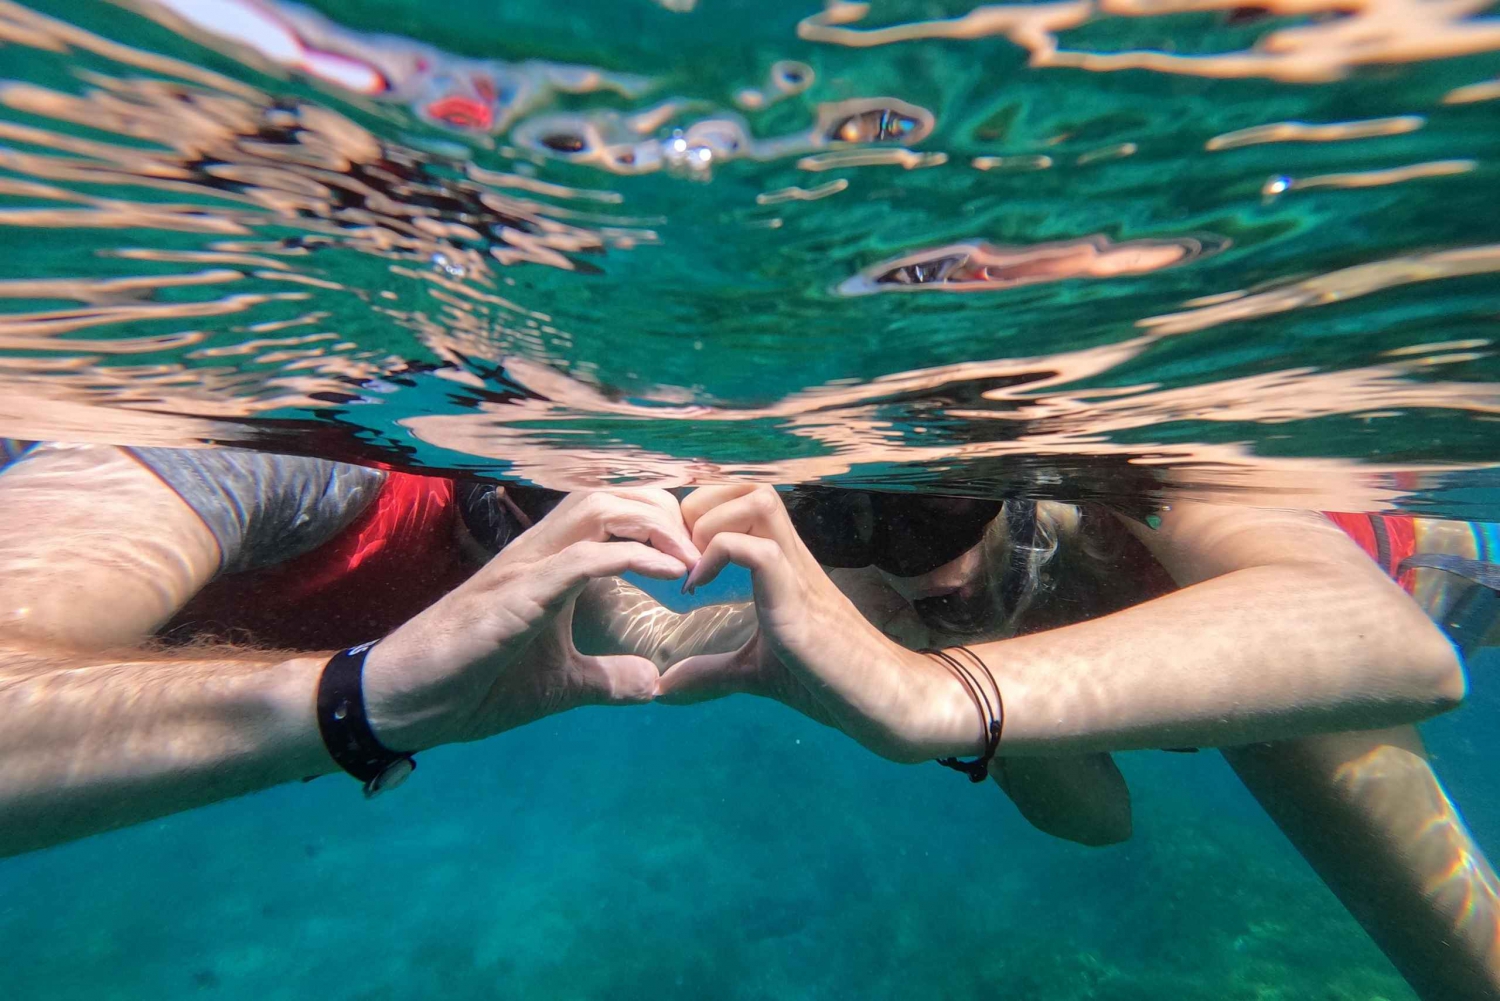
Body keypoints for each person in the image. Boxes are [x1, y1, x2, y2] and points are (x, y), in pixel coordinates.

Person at [649, 484, 1499, 1001]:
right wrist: (954, 654)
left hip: (1394, 594)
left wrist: (939, 691)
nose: (914, 557)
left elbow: (1397, 646)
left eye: (938, 500)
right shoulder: (881, 582)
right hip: (1283, 667)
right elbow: (1097, 815)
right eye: (839, 519)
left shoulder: (1134, 467)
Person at [0, 442, 724, 856]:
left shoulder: (523, 552)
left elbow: (668, 641)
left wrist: (832, 610)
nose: (582, 519)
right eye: (557, 487)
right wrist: (356, 700)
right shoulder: (286, 456)